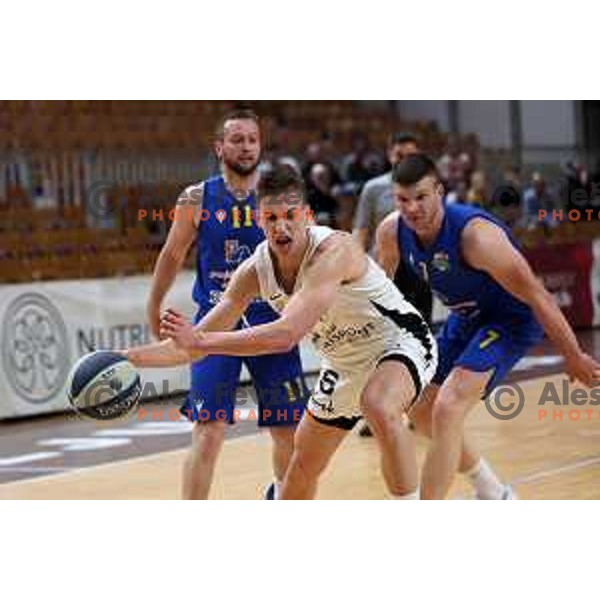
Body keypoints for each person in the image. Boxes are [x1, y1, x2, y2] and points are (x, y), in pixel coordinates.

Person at [126, 165, 438, 500]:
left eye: (289, 216)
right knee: (300, 465)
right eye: (271, 218)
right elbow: (190, 347)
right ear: (259, 221)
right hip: (344, 364)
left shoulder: (334, 251)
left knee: (378, 405)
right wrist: (125, 359)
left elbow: (286, 334)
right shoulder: (252, 273)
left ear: (306, 215)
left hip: (400, 342)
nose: (281, 226)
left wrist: (200, 340)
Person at [376, 153, 600, 499]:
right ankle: (492, 491)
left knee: (448, 406)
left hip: (510, 320)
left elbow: (539, 296)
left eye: (421, 197)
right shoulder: (391, 232)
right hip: (466, 318)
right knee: (420, 407)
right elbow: (380, 290)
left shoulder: (476, 238)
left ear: (439, 191)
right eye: (403, 200)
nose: (412, 209)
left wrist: (573, 355)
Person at [145, 110, 308, 500]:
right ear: (219, 147)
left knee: (288, 428)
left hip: (271, 322)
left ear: (261, 145)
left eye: (252, 139)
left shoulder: (279, 198)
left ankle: (284, 498)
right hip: (215, 323)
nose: (246, 146)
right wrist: (154, 305)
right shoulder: (196, 197)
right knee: (208, 430)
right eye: (237, 139)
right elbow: (171, 255)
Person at [353, 132, 432, 437]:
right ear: (389, 155)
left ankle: (415, 408)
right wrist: (356, 268)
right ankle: (375, 412)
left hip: (418, 273)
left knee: (419, 339)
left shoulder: (426, 191)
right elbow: (360, 229)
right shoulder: (373, 189)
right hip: (383, 275)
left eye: (410, 155)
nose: (404, 161)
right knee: (378, 342)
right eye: (399, 155)